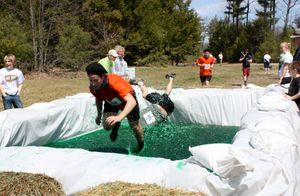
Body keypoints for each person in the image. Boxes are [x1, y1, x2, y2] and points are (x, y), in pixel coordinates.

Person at [86, 62, 144, 151]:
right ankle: (116, 125)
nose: (93, 83)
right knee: (107, 125)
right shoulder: (93, 87)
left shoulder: (114, 82)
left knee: (135, 127)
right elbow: (98, 99)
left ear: (103, 76)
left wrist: (119, 117)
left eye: (95, 80)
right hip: (111, 101)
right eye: (90, 80)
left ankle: (141, 144)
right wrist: (99, 114)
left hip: (127, 101)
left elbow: (132, 102)